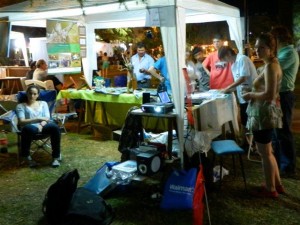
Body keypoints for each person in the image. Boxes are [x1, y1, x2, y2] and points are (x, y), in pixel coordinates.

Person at [242, 33, 284, 198]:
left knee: (264, 152)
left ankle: (270, 188)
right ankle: (277, 185)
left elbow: (269, 94)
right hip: (264, 113)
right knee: (268, 151)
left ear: (271, 48)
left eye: (261, 47)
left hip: (264, 114)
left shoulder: (271, 67)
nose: (257, 50)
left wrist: (251, 95)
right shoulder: (270, 64)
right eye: (256, 47)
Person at [271, 26, 299, 176]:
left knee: (284, 131)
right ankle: (281, 163)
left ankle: (288, 167)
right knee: (278, 131)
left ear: (278, 39)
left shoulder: (288, 52)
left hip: (285, 95)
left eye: (272, 39)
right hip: (280, 95)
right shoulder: (283, 52)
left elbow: (272, 69)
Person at [218, 46, 258, 147]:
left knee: (250, 120)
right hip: (243, 96)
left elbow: (243, 78)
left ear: (228, 54)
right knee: (244, 119)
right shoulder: (233, 64)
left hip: (250, 95)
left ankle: (250, 143)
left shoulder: (242, 59)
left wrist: (227, 88)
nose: (226, 62)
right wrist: (227, 90)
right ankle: (247, 142)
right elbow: (237, 82)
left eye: (225, 59)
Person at [16, 85, 61, 168]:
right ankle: (27, 157)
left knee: (55, 127)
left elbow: (47, 118)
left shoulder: (43, 103)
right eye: (30, 93)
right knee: (27, 128)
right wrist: (38, 118)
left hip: (43, 126)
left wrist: (40, 125)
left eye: (34, 94)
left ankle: (56, 157)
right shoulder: (21, 106)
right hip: (29, 128)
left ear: (38, 95)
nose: (32, 96)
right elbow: (22, 121)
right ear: (27, 94)